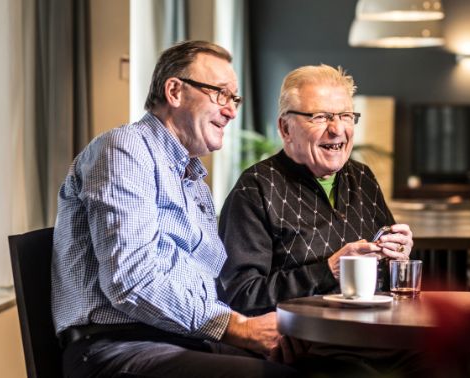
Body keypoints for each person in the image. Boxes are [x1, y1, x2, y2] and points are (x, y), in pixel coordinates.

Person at [51, 40, 295, 378]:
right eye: (221, 94)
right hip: (114, 348)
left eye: (234, 98)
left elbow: (210, 286)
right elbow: (130, 280)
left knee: (315, 363)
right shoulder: (123, 149)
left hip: (181, 340)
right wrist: (237, 327)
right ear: (175, 91)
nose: (232, 111)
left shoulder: (192, 179)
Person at [218, 64, 413, 315]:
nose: (337, 129)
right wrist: (328, 270)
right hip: (303, 341)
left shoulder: (362, 176)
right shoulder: (256, 188)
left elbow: (387, 279)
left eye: (345, 116)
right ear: (286, 129)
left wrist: (399, 258)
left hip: (374, 331)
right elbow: (240, 295)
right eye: (320, 117)